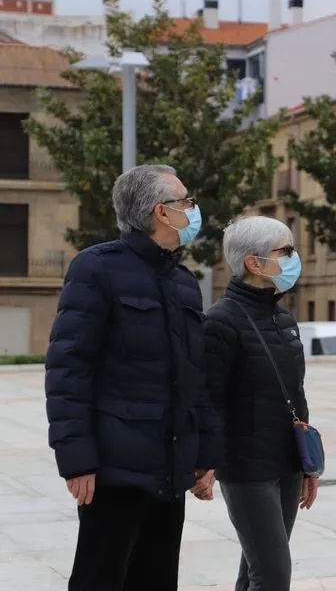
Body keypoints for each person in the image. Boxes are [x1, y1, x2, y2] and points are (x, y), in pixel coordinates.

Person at [44, 164, 221, 591]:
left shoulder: (183, 281)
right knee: (100, 578)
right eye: (186, 201)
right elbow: (68, 369)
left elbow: (195, 378)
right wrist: (77, 460)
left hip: (170, 469)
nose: (193, 209)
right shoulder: (96, 268)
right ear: (161, 212)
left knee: (157, 580)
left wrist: (204, 455)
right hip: (114, 471)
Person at [204, 216, 318, 591]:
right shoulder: (220, 322)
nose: (294, 258)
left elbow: (296, 393)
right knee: (272, 575)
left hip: (286, 463)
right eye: (286, 251)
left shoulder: (283, 318)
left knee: (257, 571)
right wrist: (204, 462)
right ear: (254, 263)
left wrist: (308, 464)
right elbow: (208, 400)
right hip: (246, 468)